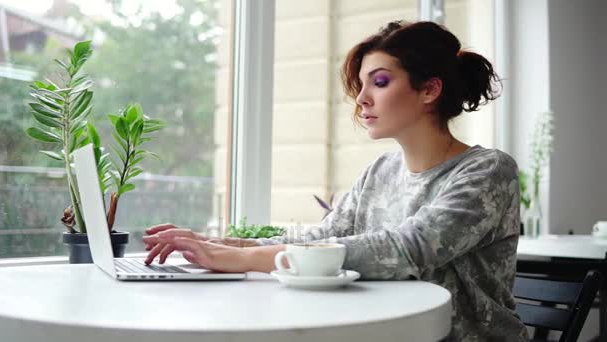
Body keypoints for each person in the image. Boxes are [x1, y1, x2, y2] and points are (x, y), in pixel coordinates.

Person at [143, 21, 528, 341]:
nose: (361, 99)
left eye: (378, 82)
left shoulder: (488, 170)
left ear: (429, 89)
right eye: (360, 85)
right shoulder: (380, 172)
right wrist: (215, 244)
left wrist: (241, 259)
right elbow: (319, 240)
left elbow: (407, 250)